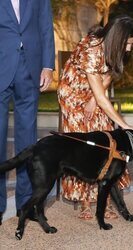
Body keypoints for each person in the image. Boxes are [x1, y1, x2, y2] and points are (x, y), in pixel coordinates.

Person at [57, 15, 133, 221]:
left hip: (93, 93)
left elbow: (108, 74)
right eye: (127, 44)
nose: (128, 49)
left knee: (106, 140)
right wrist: (125, 125)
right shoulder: (92, 48)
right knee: (84, 144)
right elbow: (102, 97)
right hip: (73, 94)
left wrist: (94, 98)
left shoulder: (115, 49)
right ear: (117, 38)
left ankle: (105, 199)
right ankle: (84, 202)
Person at [0, 0, 55, 225]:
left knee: (27, 142)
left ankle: (26, 202)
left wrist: (48, 66)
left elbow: (45, 25)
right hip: (1, 65)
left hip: (30, 68)